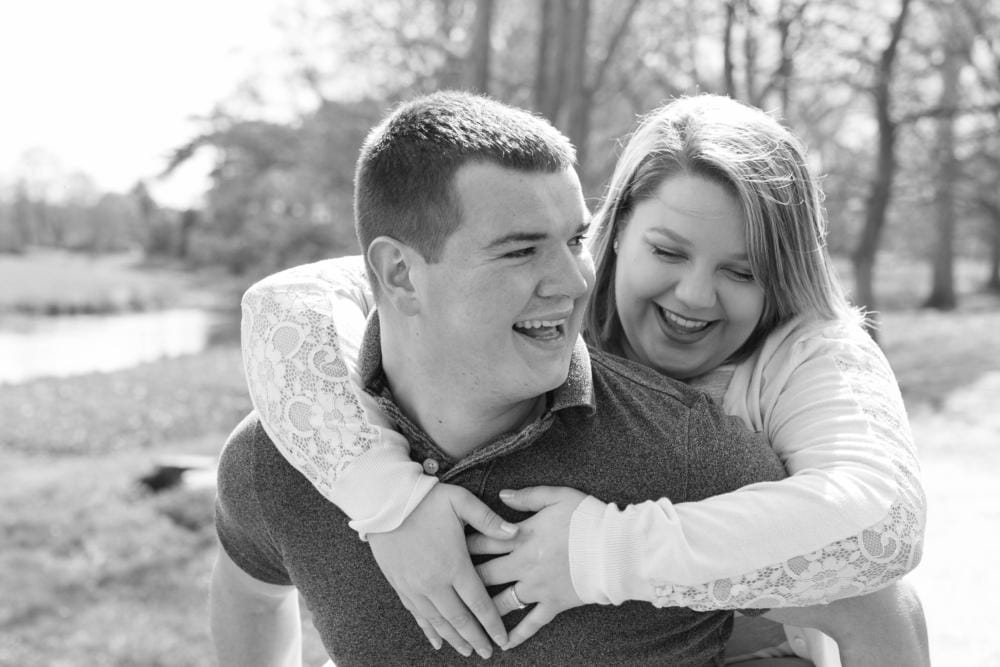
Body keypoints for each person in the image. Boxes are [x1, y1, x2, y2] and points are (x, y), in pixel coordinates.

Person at [238, 94, 927, 664]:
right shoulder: (543, 298)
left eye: (741, 270)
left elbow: (883, 535)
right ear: (616, 228)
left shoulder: (805, 361)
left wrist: (597, 550)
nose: (694, 295)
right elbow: (286, 310)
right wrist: (392, 502)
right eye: (668, 250)